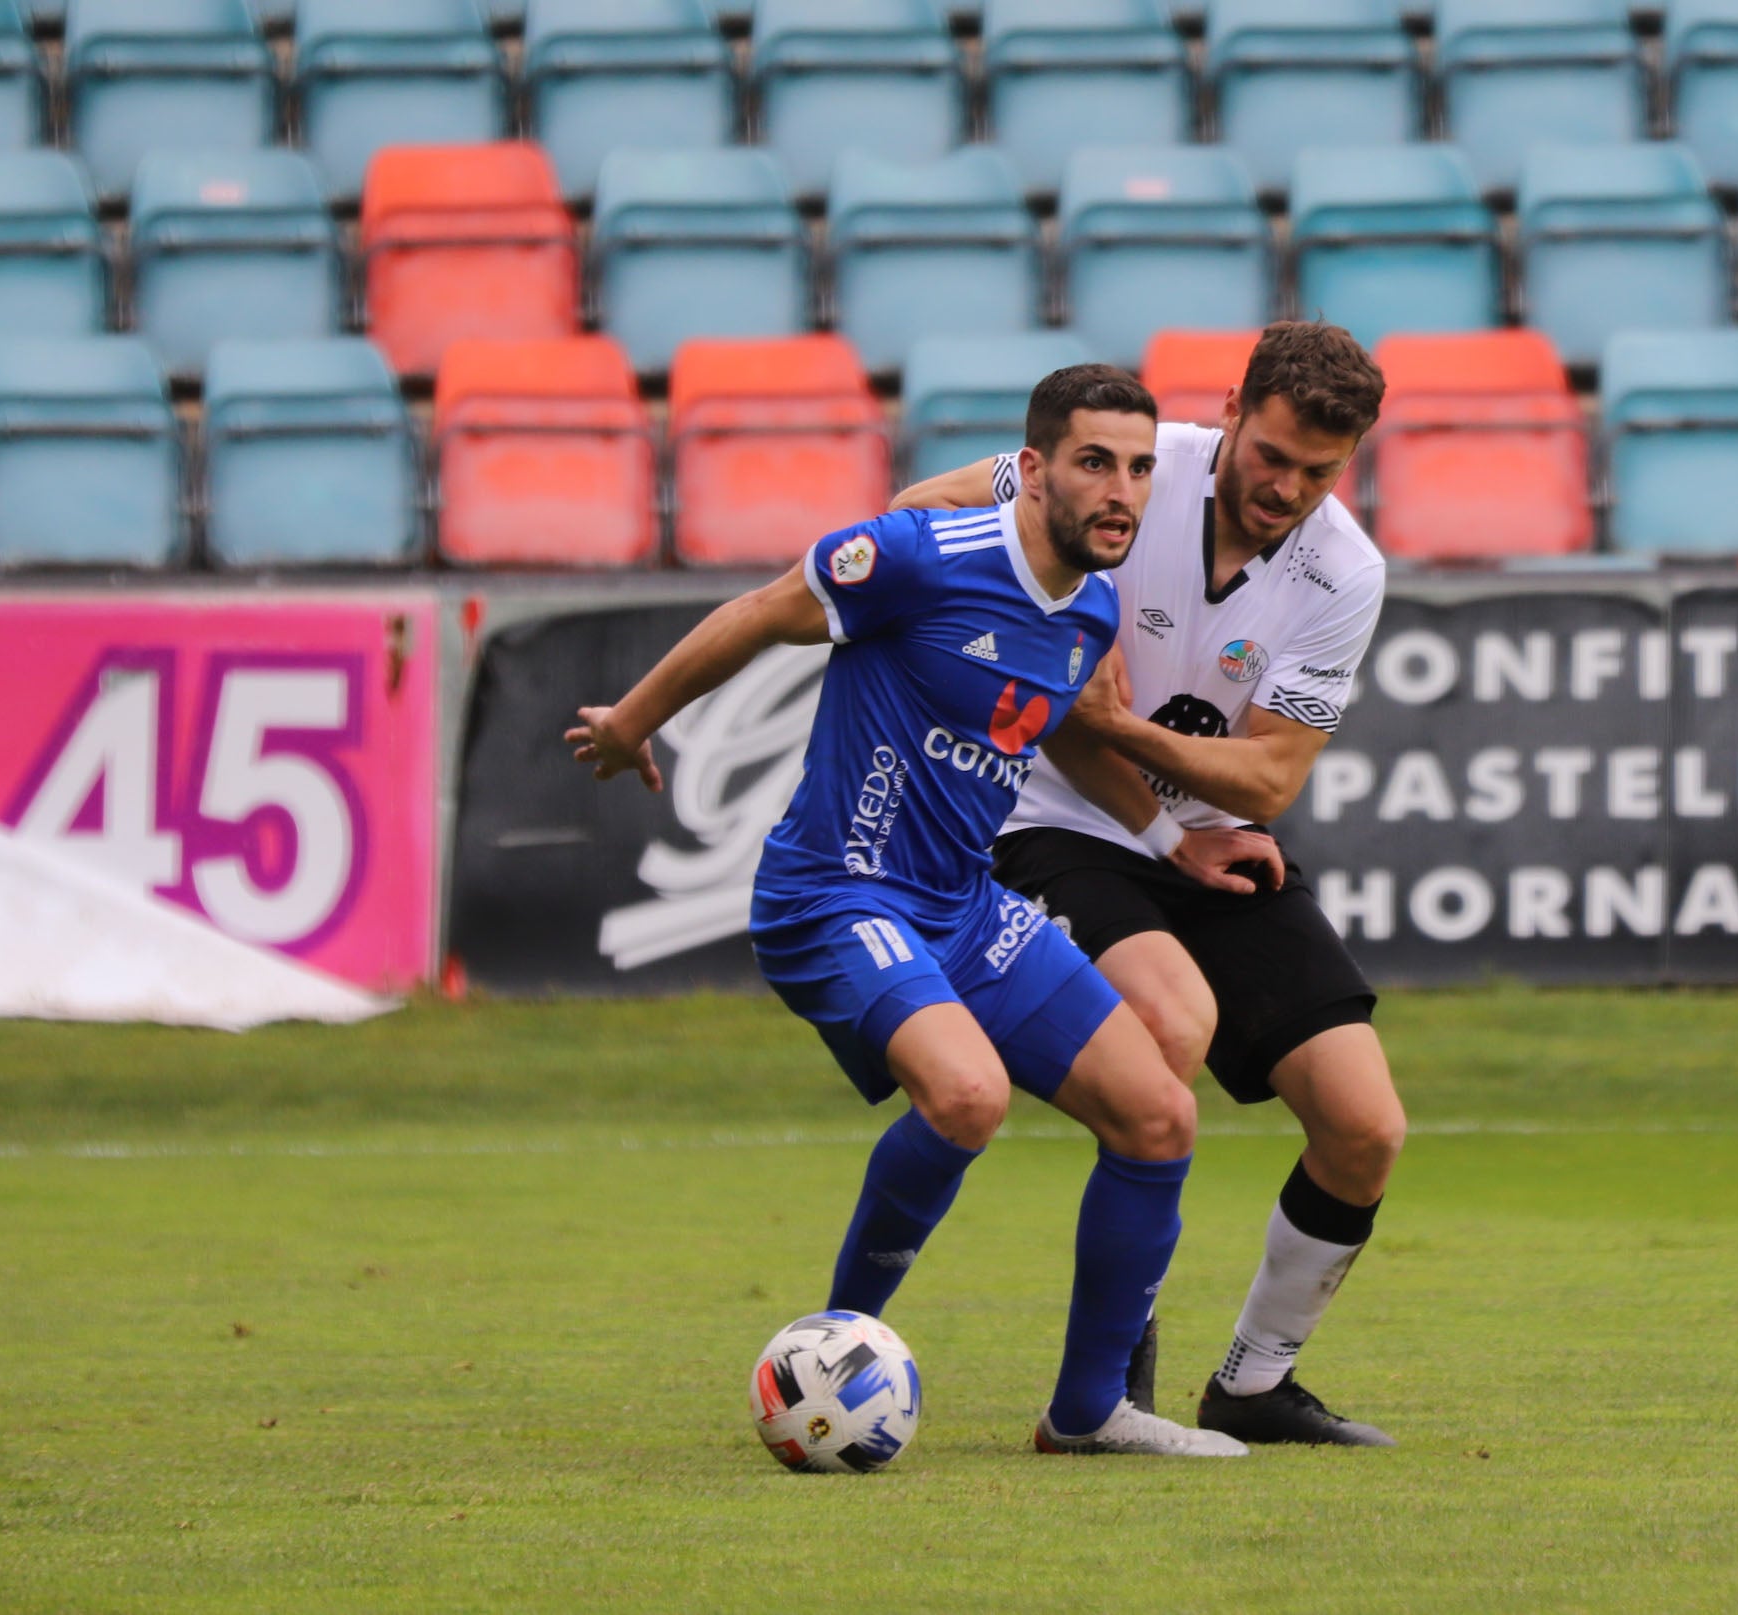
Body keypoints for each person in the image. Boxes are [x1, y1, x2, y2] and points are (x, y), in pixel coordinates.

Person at [568, 364, 1281, 1458]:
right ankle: (829, 1348)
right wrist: (631, 721)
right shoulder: (913, 556)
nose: (1122, 491)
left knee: (1159, 1115)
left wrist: (1171, 838)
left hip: (961, 904)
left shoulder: (1090, 610)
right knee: (965, 1092)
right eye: (1095, 462)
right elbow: (761, 612)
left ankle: (1089, 1414)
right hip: (835, 890)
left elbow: (1061, 739)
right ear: (1034, 470)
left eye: (1140, 468)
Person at [891, 321, 1406, 1448]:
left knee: (1365, 1126)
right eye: (1271, 454)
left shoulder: (1346, 570)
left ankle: (1254, 1385)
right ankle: (1105, 1392)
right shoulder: (1130, 462)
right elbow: (923, 506)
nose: (1287, 487)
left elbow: (1268, 776)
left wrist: (1115, 721)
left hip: (1211, 842)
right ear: (1230, 409)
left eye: (1320, 470)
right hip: (1056, 818)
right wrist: (1008, 627)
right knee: (1168, 1021)